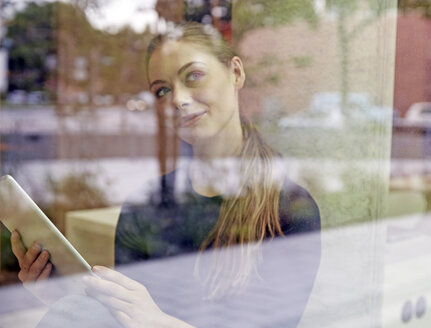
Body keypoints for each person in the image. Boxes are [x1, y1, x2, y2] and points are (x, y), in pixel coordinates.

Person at [10, 22, 321, 328]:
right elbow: (124, 319)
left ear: (236, 73)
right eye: (162, 90)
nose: (178, 100)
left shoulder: (289, 208)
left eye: (194, 76)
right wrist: (58, 295)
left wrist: (158, 322)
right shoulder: (146, 205)